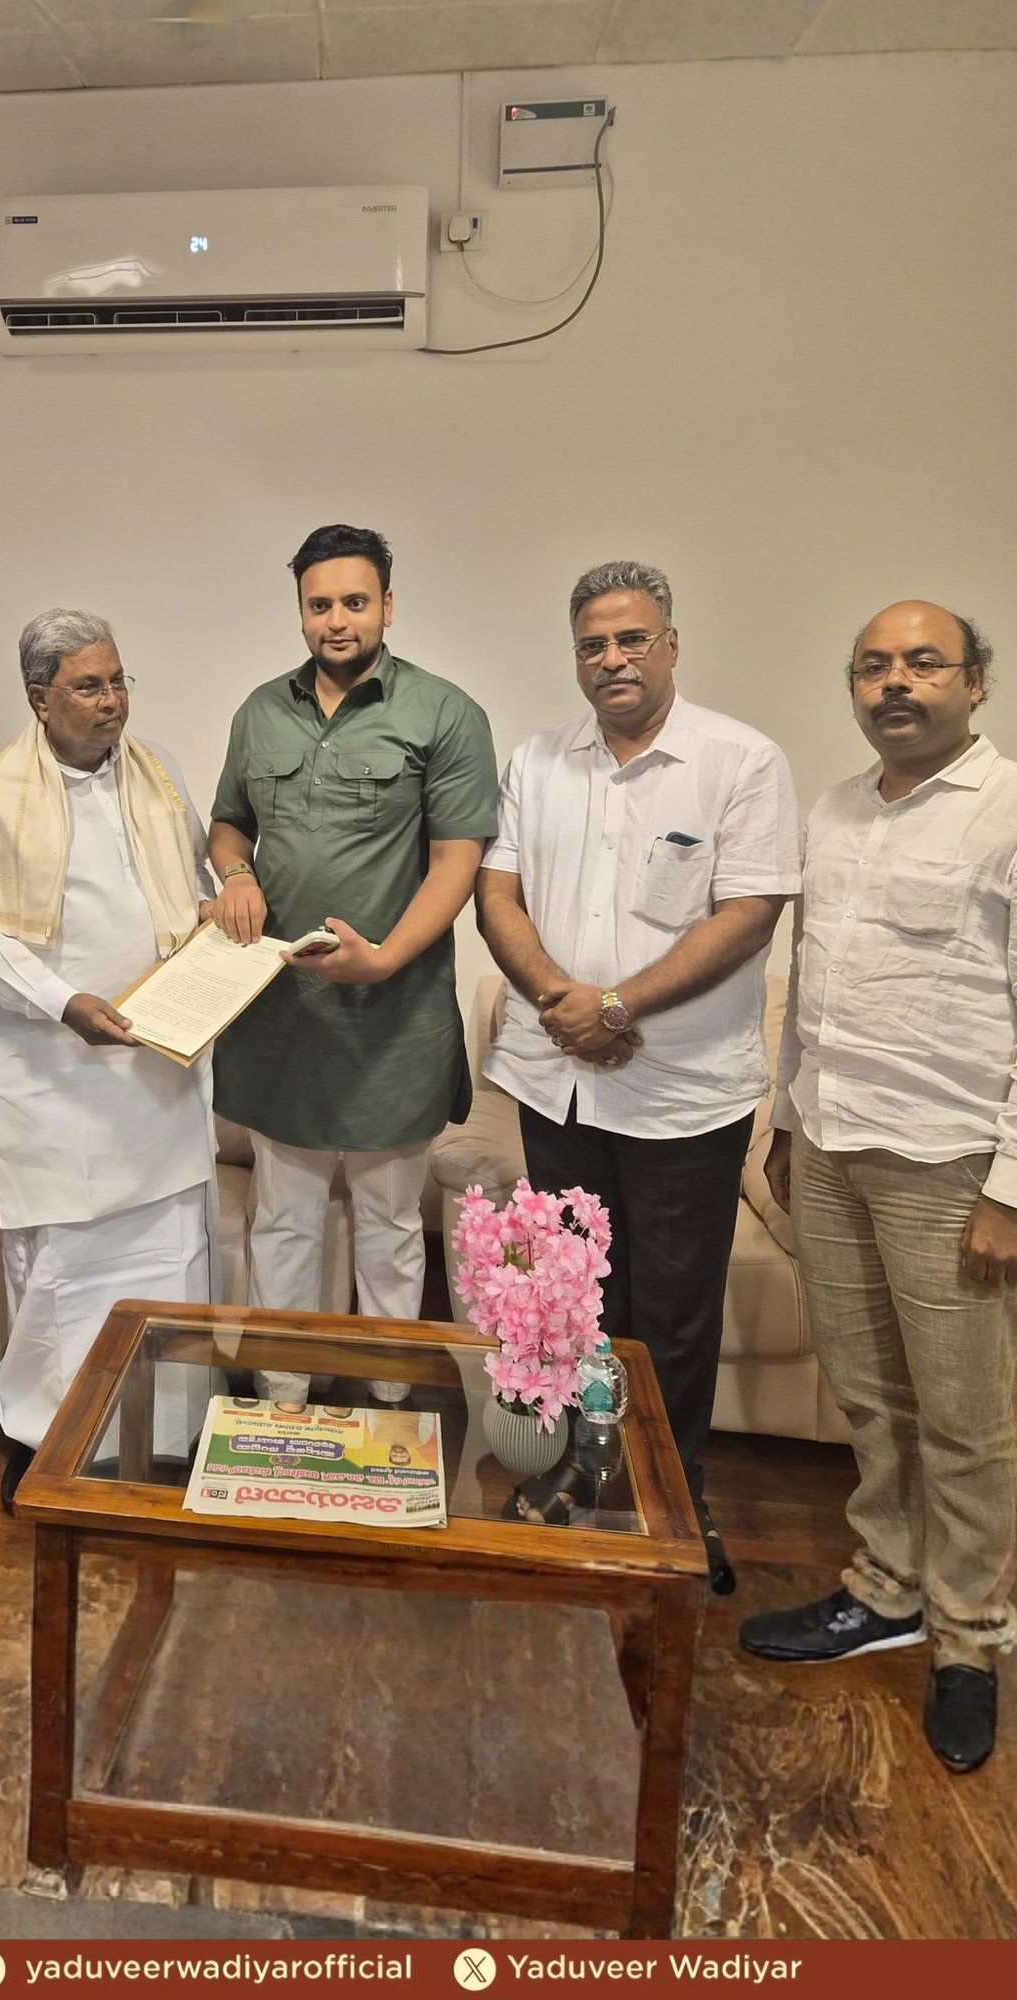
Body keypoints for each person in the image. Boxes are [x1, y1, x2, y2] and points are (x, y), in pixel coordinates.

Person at [478, 560, 800, 1594]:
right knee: (578, 1302)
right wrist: (564, 1001)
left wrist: (617, 1006)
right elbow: (497, 894)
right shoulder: (538, 760)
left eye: (631, 639)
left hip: (680, 1093)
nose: (611, 659)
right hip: (557, 1085)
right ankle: (584, 1471)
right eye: (592, 644)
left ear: (670, 644)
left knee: (673, 1315)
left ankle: (673, 1497)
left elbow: (749, 912)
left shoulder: (738, 759)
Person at [740, 600, 1017, 1774]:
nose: (894, 682)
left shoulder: (1005, 811)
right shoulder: (836, 809)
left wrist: (1008, 1189)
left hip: (947, 1162)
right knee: (867, 1392)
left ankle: (971, 1636)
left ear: (974, 681)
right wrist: (788, 1122)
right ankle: (886, 1586)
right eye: (872, 665)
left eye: (921, 662)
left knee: (965, 1417)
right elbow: (811, 984)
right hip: (832, 1144)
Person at [209, 524, 498, 1405]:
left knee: (390, 1224)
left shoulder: (446, 713)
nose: (337, 620)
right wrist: (236, 875)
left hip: (394, 1021)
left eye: (355, 602)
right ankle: (282, 1398)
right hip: (282, 1017)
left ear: (388, 606)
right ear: (301, 610)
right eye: (320, 604)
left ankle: (388, 1402)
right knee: (282, 1221)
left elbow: (456, 862)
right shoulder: (260, 711)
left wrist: (384, 961)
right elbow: (229, 825)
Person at [0, 610, 218, 1511]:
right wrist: (64, 1002)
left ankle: (168, 1437)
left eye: (119, 680)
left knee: (171, 1261)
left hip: (159, 1075)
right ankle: (46, 1439)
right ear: (40, 698)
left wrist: (223, 920)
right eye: (89, 687)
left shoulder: (157, 774)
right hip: (56, 1078)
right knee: (61, 1277)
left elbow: (197, 886)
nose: (113, 701)